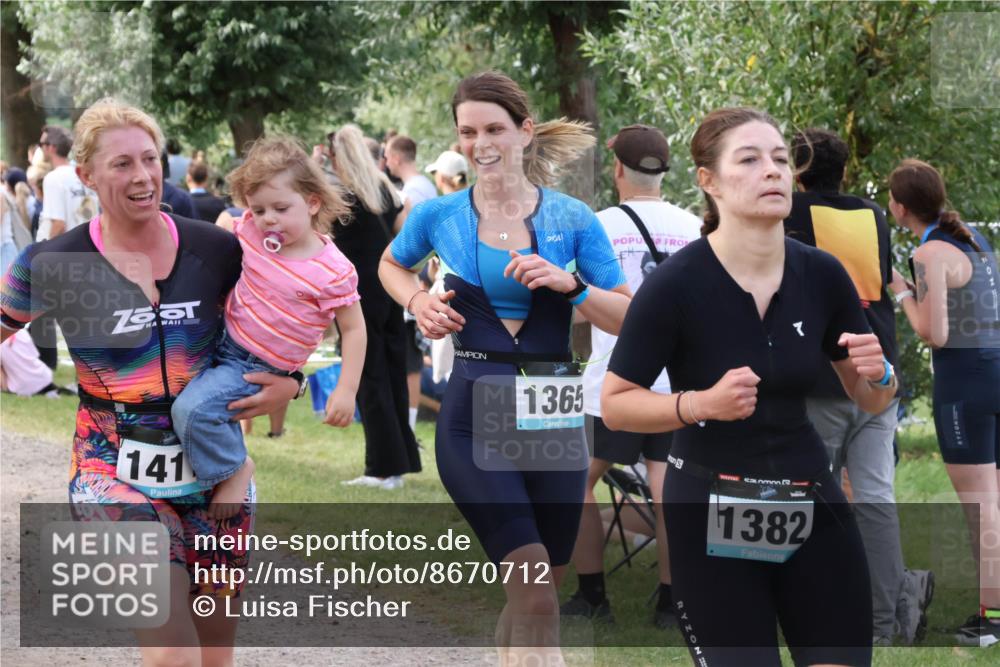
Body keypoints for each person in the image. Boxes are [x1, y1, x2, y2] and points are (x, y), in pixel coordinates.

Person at [0, 99, 299, 666]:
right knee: (171, 652)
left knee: (214, 656)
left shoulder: (218, 249)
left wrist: (294, 384)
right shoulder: (51, 262)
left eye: (149, 158)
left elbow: (286, 321)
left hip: (217, 475)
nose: (142, 176)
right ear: (86, 174)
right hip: (110, 469)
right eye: (121, 164)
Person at [602, 107, 897, 666]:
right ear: (708, 180)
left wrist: (880, 374)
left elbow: (871, 397)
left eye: (781, 159)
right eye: (750, 159)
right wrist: (700, 404)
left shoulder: (823, 274)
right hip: (710, 500)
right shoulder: (675, 284)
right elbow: (615, 405)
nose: (773, 171)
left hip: (808, 494)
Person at [379, 71, 630, 662]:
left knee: (536, 593)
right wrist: (416, 301)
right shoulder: (439, 214)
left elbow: (625, 316)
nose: (480, 143)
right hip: (473, 422)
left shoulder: (572, 218)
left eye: (494, 129)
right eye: (468, 132)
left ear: (525, 131)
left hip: (553, 423)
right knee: (536, 591)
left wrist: (572, 287)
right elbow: (391, 265)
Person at [785, 129, 933, 644]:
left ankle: (815, 611)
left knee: (809, 495)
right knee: (875, 498)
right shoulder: (873, 215)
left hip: (824, 376)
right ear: (844, 171)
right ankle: (884, 623)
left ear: (795, 172)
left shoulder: (790, 213)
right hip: (879, 371)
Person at [171, 136, 365, 518]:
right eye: (258, 209)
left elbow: (355, 329)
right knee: (179, 400)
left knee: (192, 410)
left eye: (280, 208)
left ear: (312, 203)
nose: (268, 219)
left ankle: (235, 468)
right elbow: (223, 229)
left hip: (256, 367)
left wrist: (346, 389)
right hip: (220, 342)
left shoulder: (333, 270)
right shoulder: (253, 234)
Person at [562, 124, 700, 629]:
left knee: (575, 483)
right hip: (674, 387)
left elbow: (574, 304)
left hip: (610, 384)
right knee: (668, 491)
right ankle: (672, 604)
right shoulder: (694, 228)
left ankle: (592, 595)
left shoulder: (596, 225)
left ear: (617, 168)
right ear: (664, 171)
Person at [887, 158, 1000, 648]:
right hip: (993, 367)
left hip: (965, 383)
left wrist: (899, 291)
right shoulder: (972, 236)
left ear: (899, 207)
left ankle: (992, 619)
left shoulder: (929, 251)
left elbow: (934, 332)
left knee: (982, 505)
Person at [331, 124, 421, 490]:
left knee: (369, 377)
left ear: (337, 156)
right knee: (392, 371)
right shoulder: (383, 189)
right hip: (388, 285)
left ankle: (381, 468)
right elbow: (406, 231)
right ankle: (398, 463)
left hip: (358, 292)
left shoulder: (339, 196)